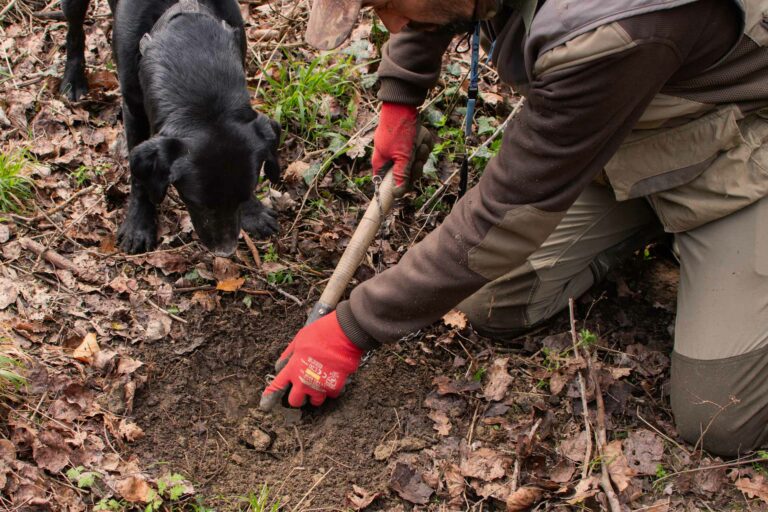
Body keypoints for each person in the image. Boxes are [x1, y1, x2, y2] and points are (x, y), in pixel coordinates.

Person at [260, 0, 768, 457]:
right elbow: (433, 9)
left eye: (388, 6)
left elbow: (507, 215)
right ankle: (650, 228)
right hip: (623, 141)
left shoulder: (602, 26)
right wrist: (402, 91)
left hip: (738, 153)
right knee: (496, 304)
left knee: (720, 420)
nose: (389, 24)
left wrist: (354, 328)